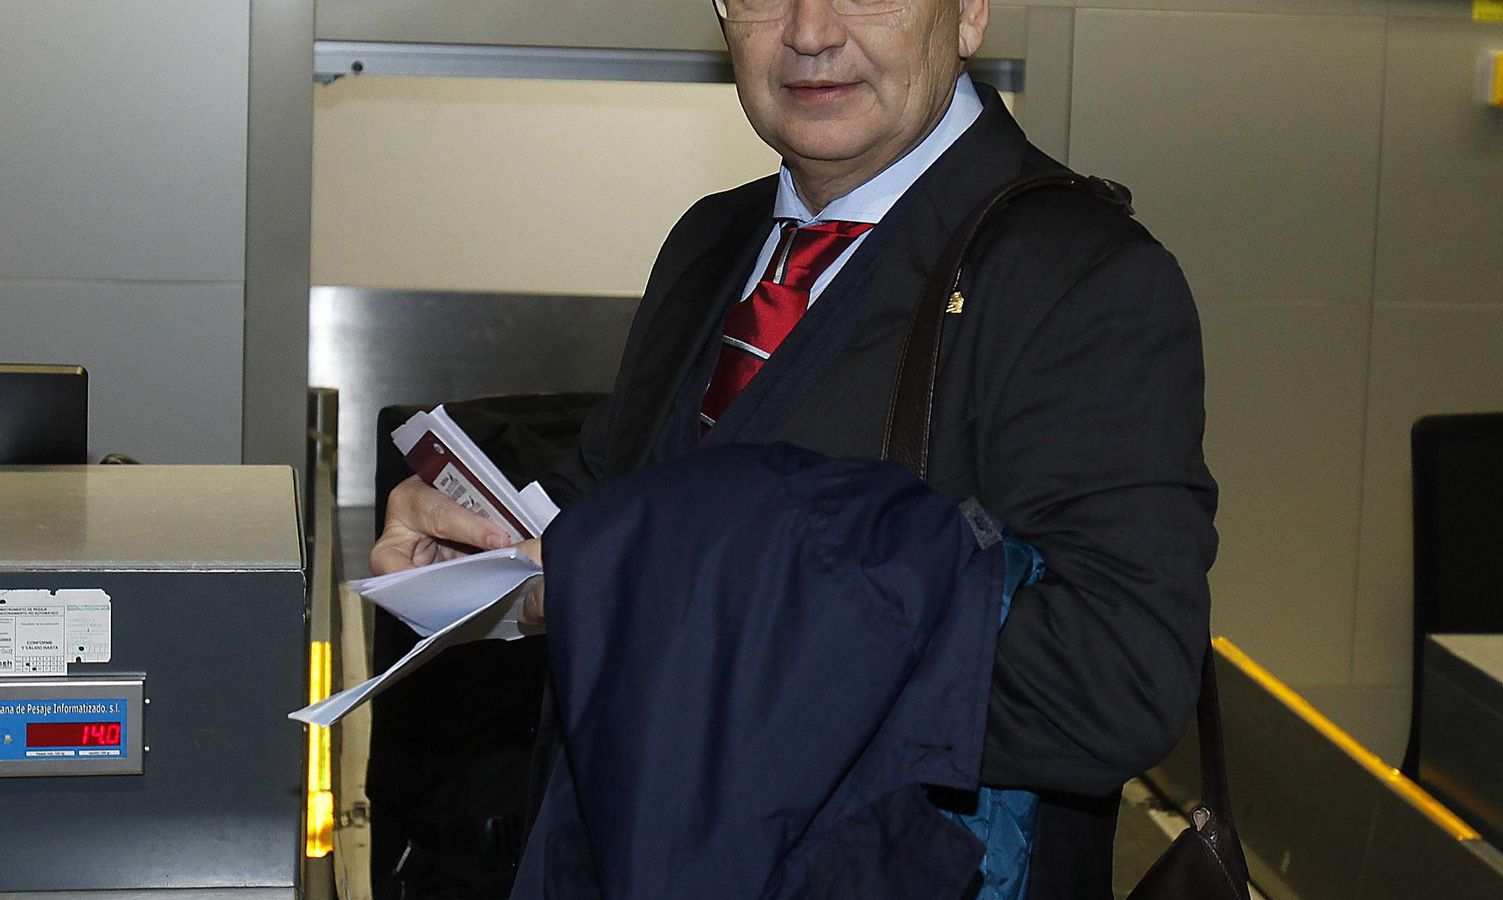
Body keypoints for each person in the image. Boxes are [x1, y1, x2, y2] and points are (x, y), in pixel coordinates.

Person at [371, 0, 1218, 895]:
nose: (810, 32)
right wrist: (484, 572)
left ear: (969, 14)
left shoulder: (1077, 278)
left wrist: (670, 604)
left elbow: (1116, 683)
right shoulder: (712, 243)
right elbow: (614, 514)